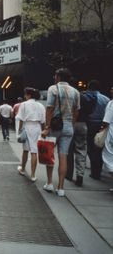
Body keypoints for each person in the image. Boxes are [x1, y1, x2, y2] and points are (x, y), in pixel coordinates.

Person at [41, 68, 80, 197]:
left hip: (54, 126)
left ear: (58, 77)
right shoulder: (76, 92)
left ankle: (49, 183)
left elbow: (50, 109)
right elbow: (76, 112)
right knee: (63, 156)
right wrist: (71, 126)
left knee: (49, 154)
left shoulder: (53, 89)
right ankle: (61, 188)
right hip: (68, 126)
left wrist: (47, 126)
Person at [66, 87, 95, 186]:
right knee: (81, 150)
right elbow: (91, 111)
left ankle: (68, 174)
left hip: (70, 123)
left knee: (68, 150)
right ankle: (80, 175)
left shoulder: (69, 96)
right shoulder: (85, 98)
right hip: (82, 124)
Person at [16, 88, 45, 182]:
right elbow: (43, 121)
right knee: (34, 151)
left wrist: (20, 130)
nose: (25, 96)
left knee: (25, 150)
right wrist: (43, 131)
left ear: (29, 95)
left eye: (25, 95)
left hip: (27, 126)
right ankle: (33, 175)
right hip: (37, 127)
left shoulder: (24, 104)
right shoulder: (40, 105)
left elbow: (21, 119)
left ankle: (23, 169)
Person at [82, 80, 110, 180]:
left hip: (90, 124)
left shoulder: (85, 97)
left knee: (90, 146)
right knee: (100, 147)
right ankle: (97, 169)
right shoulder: (106, 99)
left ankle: (94, 168)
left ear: (89, 87)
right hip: (102, 125)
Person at [101, 86, 113, 191]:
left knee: (109, 159)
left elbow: (106, 121)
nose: (111, 90)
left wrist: (101, 130)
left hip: (111, 135)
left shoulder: (111, 104)